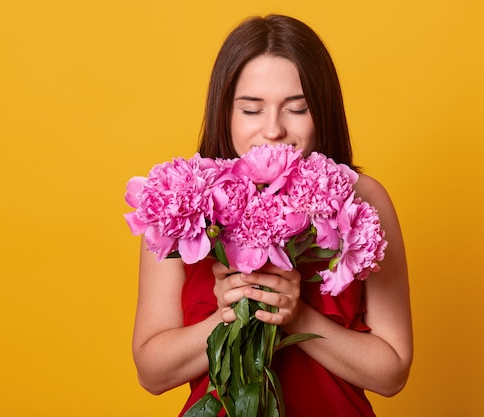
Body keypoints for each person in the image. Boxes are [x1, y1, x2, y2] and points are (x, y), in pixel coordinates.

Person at [132, 14, 413, 417]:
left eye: (297, 109)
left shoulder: (363, 200)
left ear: (323, 110)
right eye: (251, 110)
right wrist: (228, 316)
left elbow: (393, 373)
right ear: (224, 113)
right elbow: (151, 373)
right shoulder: (183, 201)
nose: (273, 129)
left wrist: (296, 316)